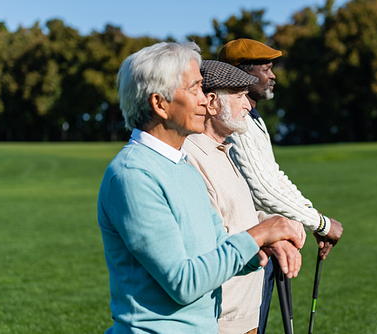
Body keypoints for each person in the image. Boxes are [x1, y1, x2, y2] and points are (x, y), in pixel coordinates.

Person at [97, 42, 305, 334]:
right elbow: (182, 282)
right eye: (195, 89)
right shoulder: (133, 175)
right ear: (160, 104)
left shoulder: (181, 165)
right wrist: (258, 234)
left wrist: (263, 246)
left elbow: (218, 249)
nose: (205, 101)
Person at [218, 38, 344, 333]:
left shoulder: (253, 119)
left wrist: (312, 215)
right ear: (243, 75)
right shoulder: (236, 122)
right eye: (267, 68)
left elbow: (274, 177)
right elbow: (263, 190)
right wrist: (320, 224)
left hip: (264, 240)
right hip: (247, 247)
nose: (273, 75)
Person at [182, 60, 301, 334]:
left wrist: (275, 224)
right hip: (220, 320)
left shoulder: (223, 149)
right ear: (211, 103)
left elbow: (238, 216)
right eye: (239, 97)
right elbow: (209, 239)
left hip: (246, 312)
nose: (248, 106)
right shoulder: (191, 156)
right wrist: (267, 234)